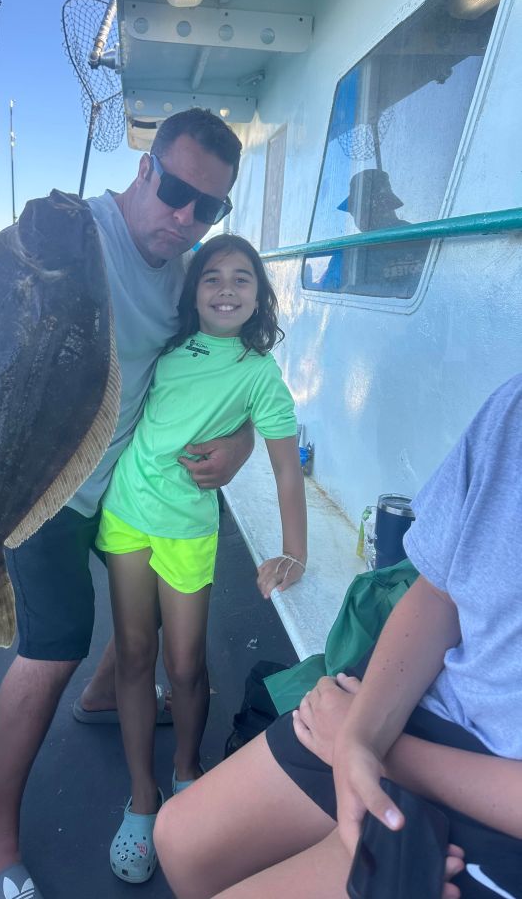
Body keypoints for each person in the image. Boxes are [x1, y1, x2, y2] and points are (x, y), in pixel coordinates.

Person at [0, 109, 265, 899]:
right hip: (43, 485)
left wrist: (238, 447)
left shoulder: (192, 269)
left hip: (127, 482)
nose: (185, 217)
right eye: (174, 191)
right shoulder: (75, 238)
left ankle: (108, 697)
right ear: (143, 170)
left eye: (210, 207)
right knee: (51, 646)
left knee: (155, 614)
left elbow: (224, 370)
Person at [153, 374, 522, 899]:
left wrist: (376, 750)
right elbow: (440, 592)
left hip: (498, 806)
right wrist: (361, 737)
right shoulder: (511, 409)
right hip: (434, 706)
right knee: (181, 837)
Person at [99, 234, 307, 884]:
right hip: (126, 513)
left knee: (185, 665)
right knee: (133, 655)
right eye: (211, 276)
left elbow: (285, 469)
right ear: (193, 293)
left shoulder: (259, 374)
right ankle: (142, 799)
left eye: (241, 278)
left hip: (189, 530)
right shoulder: (169, 348)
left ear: (260, 297)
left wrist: (293, 552)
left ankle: (187, 775)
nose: (225, 288)